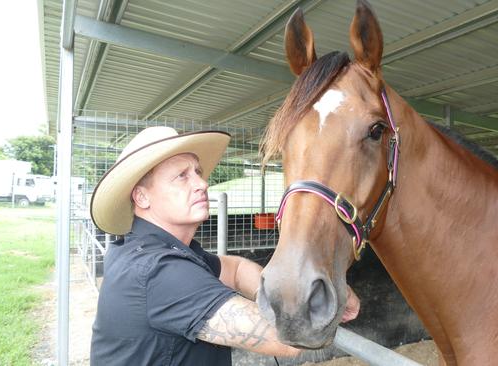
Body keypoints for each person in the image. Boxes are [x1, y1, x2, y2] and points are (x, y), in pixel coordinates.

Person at [89, 126, 360, 365]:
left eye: (198, 172)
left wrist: (289, 288)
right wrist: (325, 295)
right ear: (142, 197)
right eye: (182, 176)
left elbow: (236, 268)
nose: (202, 184)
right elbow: (288, 338)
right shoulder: (157, 272)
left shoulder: (155, 250)